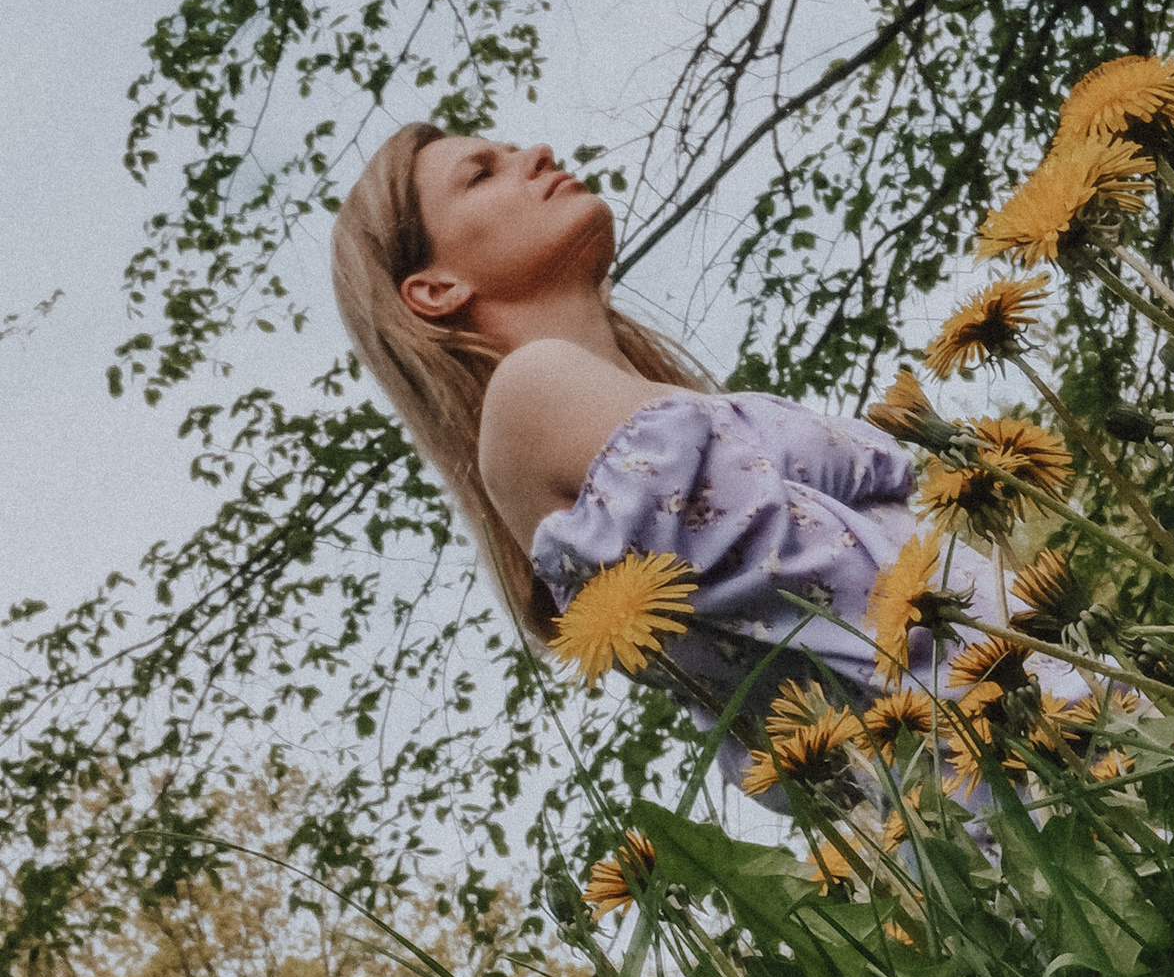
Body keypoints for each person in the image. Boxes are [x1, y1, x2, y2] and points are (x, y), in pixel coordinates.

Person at [329, 121, 1072, 805]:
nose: (539, 154)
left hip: (1022, 747)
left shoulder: (642, 415)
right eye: (481, 174)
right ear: (434, 289)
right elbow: (846, 590)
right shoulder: (533, 390)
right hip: (1024, 757)